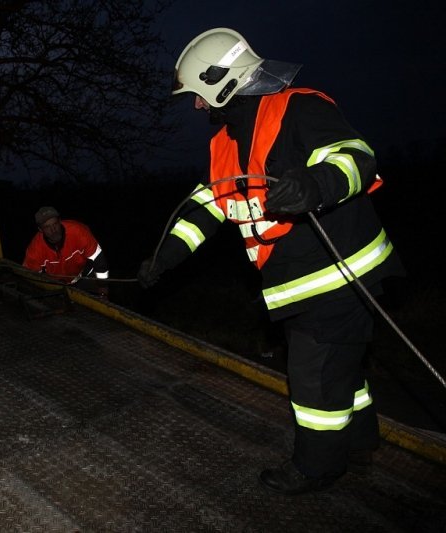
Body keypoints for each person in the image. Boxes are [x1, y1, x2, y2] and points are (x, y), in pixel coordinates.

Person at [137, 28, 404, 495]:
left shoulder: (301, 108)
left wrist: (315, 185)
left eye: (198, 95)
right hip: (296, 281)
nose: (197, 106)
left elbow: (356, 157)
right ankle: (361, 443)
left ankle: (318, 467)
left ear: (224, 81)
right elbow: (209, 207)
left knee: (313, 382)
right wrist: (164, 258)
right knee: (341, 367)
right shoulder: (224, 142)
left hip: (339, 274)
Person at [23, 206, 109, 298]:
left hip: (84, 276)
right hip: (57, 285)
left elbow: (99, 259)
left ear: (60, 221)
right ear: (40, 229)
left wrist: (102, 286)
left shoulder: (78, 232)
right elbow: (31, 276)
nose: (53, 230)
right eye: (47, 227)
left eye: (55, 224)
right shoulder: (36, 248)